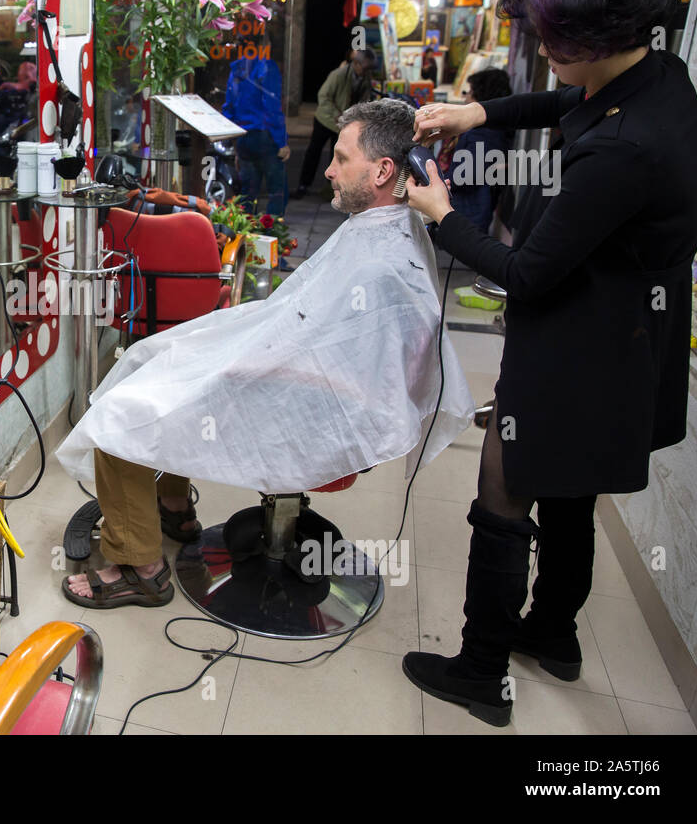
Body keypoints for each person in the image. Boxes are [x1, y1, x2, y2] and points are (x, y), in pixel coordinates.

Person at [400, 0, 697, 727]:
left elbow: (528, 272)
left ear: (592, 37)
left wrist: (441, 218)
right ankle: (554, 634)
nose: (545, 53)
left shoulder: (626, 152)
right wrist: (477, 112)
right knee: (572, 492)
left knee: (505, 490)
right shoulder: (657, 74)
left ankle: (479, 670)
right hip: (624, 333)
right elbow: (568, 98)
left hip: (582, 339)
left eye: (551, 40)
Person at [58, 99, 473, 607]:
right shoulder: (388, 229)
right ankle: (173, 508)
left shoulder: (382, 262)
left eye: (341, 158)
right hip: (325, 386)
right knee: (154, 357)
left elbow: (335, 349)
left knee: (123, 413)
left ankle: (139, 567)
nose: (328, 169)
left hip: (324, 408)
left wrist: (237, 361)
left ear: (384, 170)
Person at [435, 68, 513, 237]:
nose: (466, 97)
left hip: (467, 213)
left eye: (470, 91)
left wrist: (439, 181)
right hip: (474, 212)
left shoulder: (482, 134)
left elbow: (463, 176)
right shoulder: (496, 130)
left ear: (481, 96)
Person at [294, 48, 376, 199]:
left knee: (337, 155)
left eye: (369, 69)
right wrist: (337, 114)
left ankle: (330, 188)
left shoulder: (365, 78)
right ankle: (303, 185)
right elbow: (323, 96)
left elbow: (363, 99)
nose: (367, 71)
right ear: (356, 64)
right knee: (314, 151)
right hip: (325, 120)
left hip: (343, 124)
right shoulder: (339, 75)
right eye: (365, 68)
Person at [221, 36, 290, 216]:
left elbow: (229, 106)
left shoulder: (236, 70)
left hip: (243, 136)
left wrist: (231, 139)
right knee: (276, 191)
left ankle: (246, 234)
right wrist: (282, 141)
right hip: (264, 135)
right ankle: (272, 232)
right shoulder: (267, 67)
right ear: (263, 46)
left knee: (247, 193)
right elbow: (272, 106)